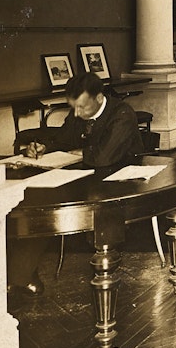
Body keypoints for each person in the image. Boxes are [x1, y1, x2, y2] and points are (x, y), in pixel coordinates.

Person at [8, 71, 144, 298]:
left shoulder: (122, 113)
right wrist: (44, 147)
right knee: (40, 202)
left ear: (99, 97)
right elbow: (63, 139)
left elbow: (104, 157)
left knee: (90, 210)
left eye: (82, 107)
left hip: (119, 184)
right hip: (87, 178)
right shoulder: (78, 113)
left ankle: (107, 275)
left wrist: (79, 152)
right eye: (74, 107)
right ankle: (19, 276)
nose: (77, 113)